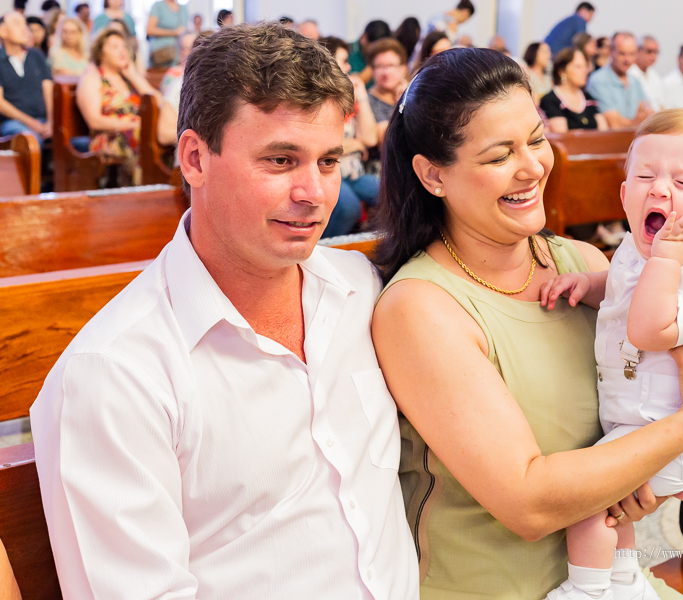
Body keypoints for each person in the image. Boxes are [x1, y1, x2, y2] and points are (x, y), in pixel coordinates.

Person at [31, 22, 418, 599]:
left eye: (329, 161)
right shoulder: (115, 374)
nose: (314, 192)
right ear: (194, 158)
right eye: (281, 160)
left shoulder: (361, 289)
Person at [372, 46, 683, 600]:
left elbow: (650, 408)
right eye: (500, 156)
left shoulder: (584, 265)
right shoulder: (421, 309)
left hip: (610, 579)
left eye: (537, 140)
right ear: (433, 175)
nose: (533, 167)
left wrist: (645, 482)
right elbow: (530, 502)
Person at [540, 108, 683, 600]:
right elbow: (624, 284)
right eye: (646, 176)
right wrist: (589, 282)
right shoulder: (636, 249)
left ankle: (587, 591)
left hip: (682, 435)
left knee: (588, 499)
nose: (659, 189)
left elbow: (650, 329)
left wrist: (669, 259)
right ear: (624, 193)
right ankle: (625, 580)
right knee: (614, 506)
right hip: (640, 422)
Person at [77, 28, 158, 186]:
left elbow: (157, 103)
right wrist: (132, 124)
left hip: (139, 133)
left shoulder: (129, 79)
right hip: (109, 138)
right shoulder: (93, 79)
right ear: (101, 53)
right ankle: (143, 190)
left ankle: (162, 186)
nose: (122, 51)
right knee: (140, 135)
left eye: (123, 47)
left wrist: (133, 75)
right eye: (114, 47)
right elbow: (94, 121)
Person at [320, 35, 380, 238]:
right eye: (344, 61)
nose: (348, 67)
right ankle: (324, 248)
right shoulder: (319, 100)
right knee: (349, 207)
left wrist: (360, 93)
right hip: (331, 172)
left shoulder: (347, 97)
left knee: (388, 192)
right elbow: (323, 147)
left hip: (354, 173)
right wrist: (356, 144)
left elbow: (370, 139)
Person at [0, 12, 52, 149]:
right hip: (13, 122)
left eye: (25, 25)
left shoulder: (37, 55)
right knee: (30, 140)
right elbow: (0, 103)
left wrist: (51, 121)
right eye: (17, 24)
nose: (24, 29)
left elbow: (49, 90)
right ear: (2, 31)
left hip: (44, 120)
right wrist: (32, 124)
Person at [587, 32, 653, 129]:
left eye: (632, 54)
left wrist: (634, 121)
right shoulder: (598, 80)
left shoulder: (635, 81)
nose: (627, 59)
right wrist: (638, 121)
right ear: (611, 51)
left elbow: (651, 116)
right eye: (622, 54)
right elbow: (615, 125)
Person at [540, 47, 608, 133]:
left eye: (585, 66)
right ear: (562, 71)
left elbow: (604, 132)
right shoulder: (550, 100)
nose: (585, 71)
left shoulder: (589, 98)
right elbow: (562, 135)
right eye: (578, 67)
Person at [156, 32, 197, 147]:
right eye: (184, 48)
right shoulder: (176, 79)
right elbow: (164, 104)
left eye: (190, 48)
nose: (188, 52)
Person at [367, 37, 408, 149]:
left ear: (403, 69)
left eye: (391, 66)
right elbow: (385, 140)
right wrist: (402, 105)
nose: (386, 72)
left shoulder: (414, 95)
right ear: (372, 71)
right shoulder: (367, 101)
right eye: (380, 66)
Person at [629, 35, 665, 111]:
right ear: (638, 51)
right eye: (649, 51)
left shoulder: (654, 74)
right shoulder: (629, 73)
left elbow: (661, 104)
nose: (653, 56)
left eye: (656, 52)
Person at [147, 0, 187, 68]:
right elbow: (149, 30)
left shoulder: (183, 9)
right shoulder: (158, 6)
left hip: (177, 54)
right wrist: (173, 32)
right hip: (161, 54)